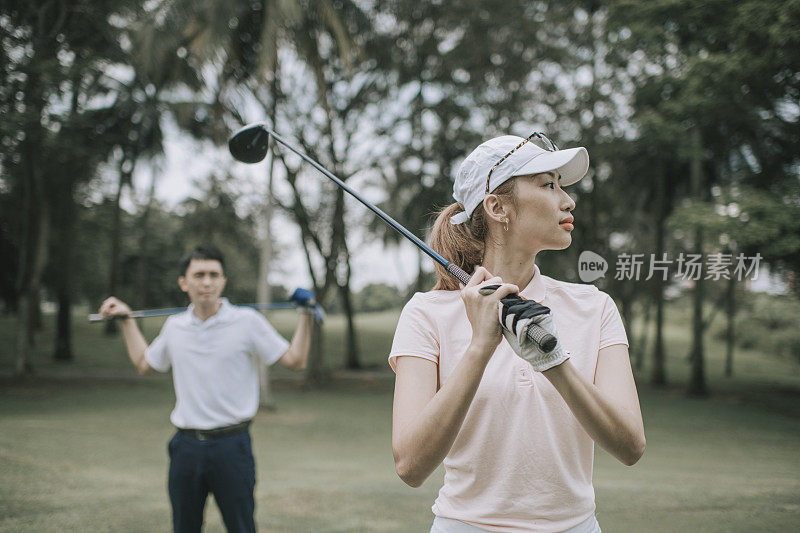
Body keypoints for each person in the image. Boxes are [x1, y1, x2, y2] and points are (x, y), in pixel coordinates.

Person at [390, 134, 646, 533]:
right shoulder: (426, 314)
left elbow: (631, 446)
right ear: (497, 206)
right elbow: (410, 465)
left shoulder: (595, 307)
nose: (568, 200)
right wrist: (480, 346)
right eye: (549, 185)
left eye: (562, 185)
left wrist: (553, 363)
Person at [99, 244, 315, 533]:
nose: (207, 282)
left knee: (242, 527)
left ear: (223, 281)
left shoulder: (247, 322)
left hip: (232, 446)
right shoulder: (175, 327)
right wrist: (126, 320)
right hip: (185, 447)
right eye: (199, 274)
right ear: (184, 282)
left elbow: (295, 360)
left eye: (214, 274)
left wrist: (306, 314)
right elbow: (143, 363)